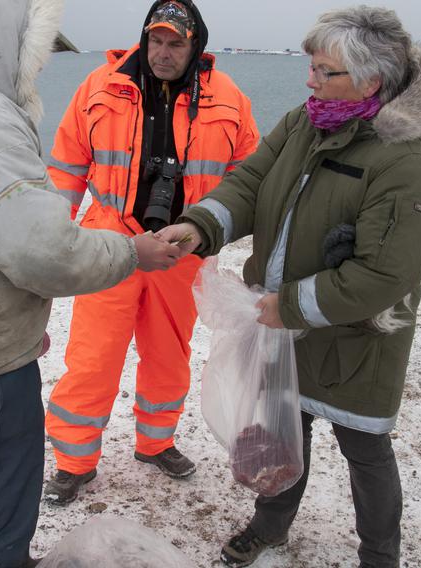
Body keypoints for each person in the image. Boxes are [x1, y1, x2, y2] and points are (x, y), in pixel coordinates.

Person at [0, 0, 182, 566]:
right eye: (39, 54)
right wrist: (131, 252)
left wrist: (19, 317)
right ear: (10, 44)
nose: (42, 68)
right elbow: (43, 251)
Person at [159, 6, 421, 567]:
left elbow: (387, 273)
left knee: (365, 451)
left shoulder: (401, 161)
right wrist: (201, 225)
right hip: (279, 324)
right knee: (283, 435)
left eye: (325, 71)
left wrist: (289, 305)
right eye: (310, 66)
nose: (310, 80)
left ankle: (379, 555)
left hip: (353, 340)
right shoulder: (304, 121)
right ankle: (271, 525)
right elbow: (251, 182)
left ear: (371, 79)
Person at [42, 0, 259, 504]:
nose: (162, 53)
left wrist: (212, 231)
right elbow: (66, 168)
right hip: (109, 241)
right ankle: (74, 461)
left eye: (175, 43)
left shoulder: (229, 99)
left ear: (195, 45)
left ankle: (156, 442)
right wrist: (55, 236)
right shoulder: (99, 87)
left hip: (182, 249)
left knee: (169, 353)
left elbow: (249, 178)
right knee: (93, 355)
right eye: (155, 40)